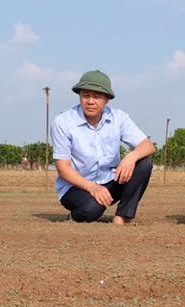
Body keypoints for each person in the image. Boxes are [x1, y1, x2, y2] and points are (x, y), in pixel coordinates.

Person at [51, 70, 156, 225]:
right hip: (76, 186)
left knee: (144, 164)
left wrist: (130, 157)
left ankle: (122, 216)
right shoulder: (63, 122)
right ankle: (76, 216)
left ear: (107, 99)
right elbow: (63, 169)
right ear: (79, 96)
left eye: (97, 96)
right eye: (85, 95)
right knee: (91, 210)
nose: (90, 101)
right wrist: (92, 187)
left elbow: (148, 146)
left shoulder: (118, 118)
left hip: (110, 180)